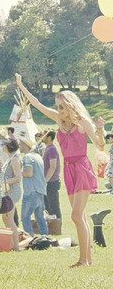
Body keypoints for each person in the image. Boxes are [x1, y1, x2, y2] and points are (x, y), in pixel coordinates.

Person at [16, 74, 106, 267]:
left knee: (75, 216)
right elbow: (37, 104)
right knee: (79, 217)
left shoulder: (83, 122)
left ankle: (83, 260)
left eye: (61, 107)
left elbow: (100, 146)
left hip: (81, 168)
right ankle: (87, 260)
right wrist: (21, 85)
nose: (58, 110)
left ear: (70, 105)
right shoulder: (58, 120)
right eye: (57, 107)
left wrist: (99, 130)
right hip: (68, 170)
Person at [20, 140, 48, 237]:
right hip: (41, 190)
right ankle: (45, 236)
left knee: (25, 217)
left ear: (25, 144)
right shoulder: (38, 157)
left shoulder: (28, 157)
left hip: (31, 190)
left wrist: (17, 174)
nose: (19, 145)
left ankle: (29, 238)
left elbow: (29, 172)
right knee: (40, 217)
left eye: (20, 143)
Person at [0, 137, 22, 230]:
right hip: (7, 191)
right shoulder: (9, 158)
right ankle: (11, 240)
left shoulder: (14, 159)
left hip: (13, 190)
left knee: (8, 218)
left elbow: (18, 177)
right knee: (5, 218)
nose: (2, 146)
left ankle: (15, 242)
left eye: (4, 144)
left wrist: (4, 182)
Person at [41, 129, 61, 219]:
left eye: (44, 135)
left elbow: (53, 167)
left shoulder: (52, 149)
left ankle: (57, 225)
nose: (42, 137)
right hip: (47, 181)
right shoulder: (47, 148)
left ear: (49, 138)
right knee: (47, 206)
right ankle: (52, 226)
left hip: (51, 182)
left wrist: (45, 181)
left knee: (53, 206)